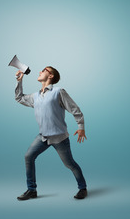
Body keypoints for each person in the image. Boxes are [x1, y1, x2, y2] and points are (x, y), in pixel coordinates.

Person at [14, 66, 88, 200]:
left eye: (44, 70)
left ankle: (82, 188)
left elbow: (75, 109)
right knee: (28, 157)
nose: (40, 71)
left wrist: (81, 126)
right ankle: (32, 190)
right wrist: (19, 81)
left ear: (51, 76)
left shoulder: (59, 92)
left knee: (69, 164)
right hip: (42, 137)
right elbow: (19, 98)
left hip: (59, 138)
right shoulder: (35, 96)